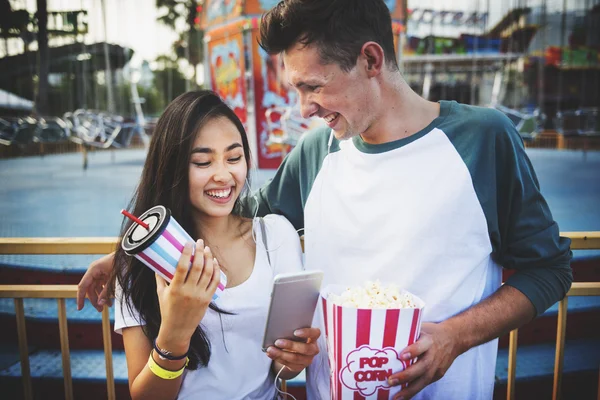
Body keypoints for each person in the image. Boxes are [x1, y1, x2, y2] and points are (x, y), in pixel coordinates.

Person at [78, 1, 573, 399]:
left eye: (313, 86)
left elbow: (549, 269)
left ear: (371, 60)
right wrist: (130, 253)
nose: (304, 108)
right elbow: (227, 219)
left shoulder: (482, 140)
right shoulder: (316, 153)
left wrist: (455, 336)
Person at [102, 90, 320, 400]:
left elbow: (282, 368)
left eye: (234, 157)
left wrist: (294, 359)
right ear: (171, 168)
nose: (224, 175)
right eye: (203, 162)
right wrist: (175, 332)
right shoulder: (141, 262)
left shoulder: (277, 237)